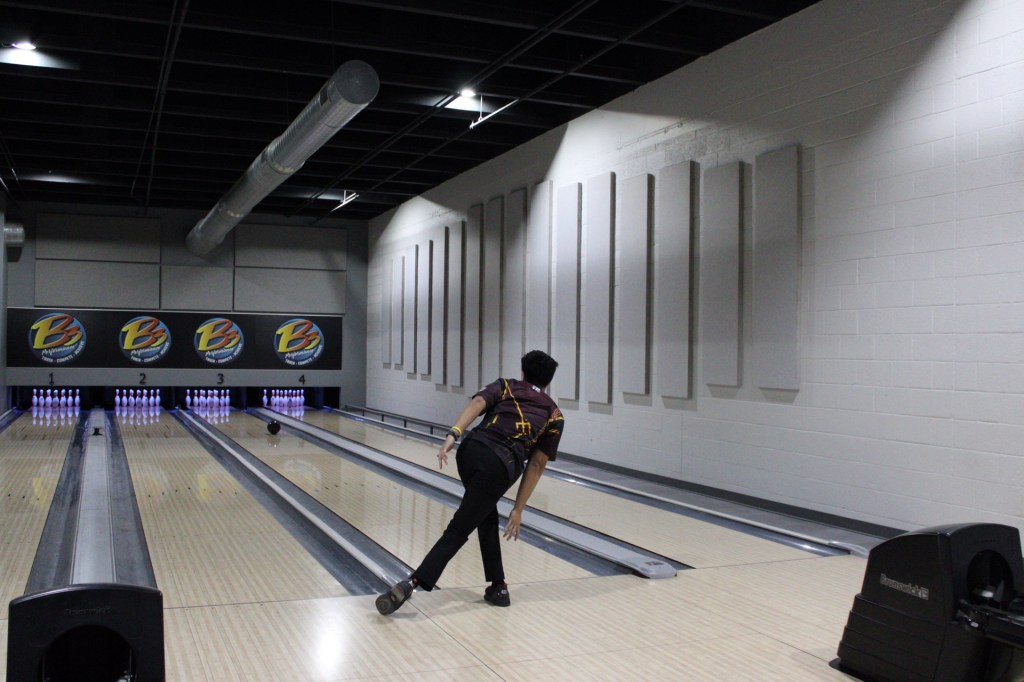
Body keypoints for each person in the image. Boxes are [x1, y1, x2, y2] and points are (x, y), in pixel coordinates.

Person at [375, 350, 563, 615]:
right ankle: (413, 582)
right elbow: (536, 464)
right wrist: (518, 508)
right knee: (460, 527)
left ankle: (498, 585)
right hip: (498, 468)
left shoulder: (506, 385)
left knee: (484, 512)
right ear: (548, 381)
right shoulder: (554, 415)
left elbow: (478, 403)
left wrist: (453, 434)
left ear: (523, 372)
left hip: (470, 451)